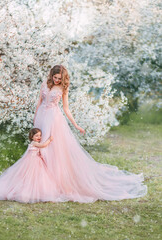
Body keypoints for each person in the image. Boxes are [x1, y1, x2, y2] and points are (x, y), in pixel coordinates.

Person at [33, 64, 147, 203]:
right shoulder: (45, 83)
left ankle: (56, 182)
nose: (56, 80)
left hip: (54, 120)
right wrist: (35, 119)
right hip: (41, 117)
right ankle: (41, 181)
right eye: (55, 77)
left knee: (53, 150)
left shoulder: (64, 87)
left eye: (59, 78)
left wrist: (76, 125)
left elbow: (66, 108)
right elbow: (39, 101)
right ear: (51, 75)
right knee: (39, 149)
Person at [0, 128, 66, 203]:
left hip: (36, 161)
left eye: (40, 135)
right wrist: (49, 140)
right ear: (32, 137)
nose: (39, 137)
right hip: (31, 162)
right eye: (36, 135)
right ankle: (26, 192)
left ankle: (38, 191)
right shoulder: (34, 143)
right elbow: (43, 145)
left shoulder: (36, 142)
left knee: (38, 177)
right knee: (28, 176)